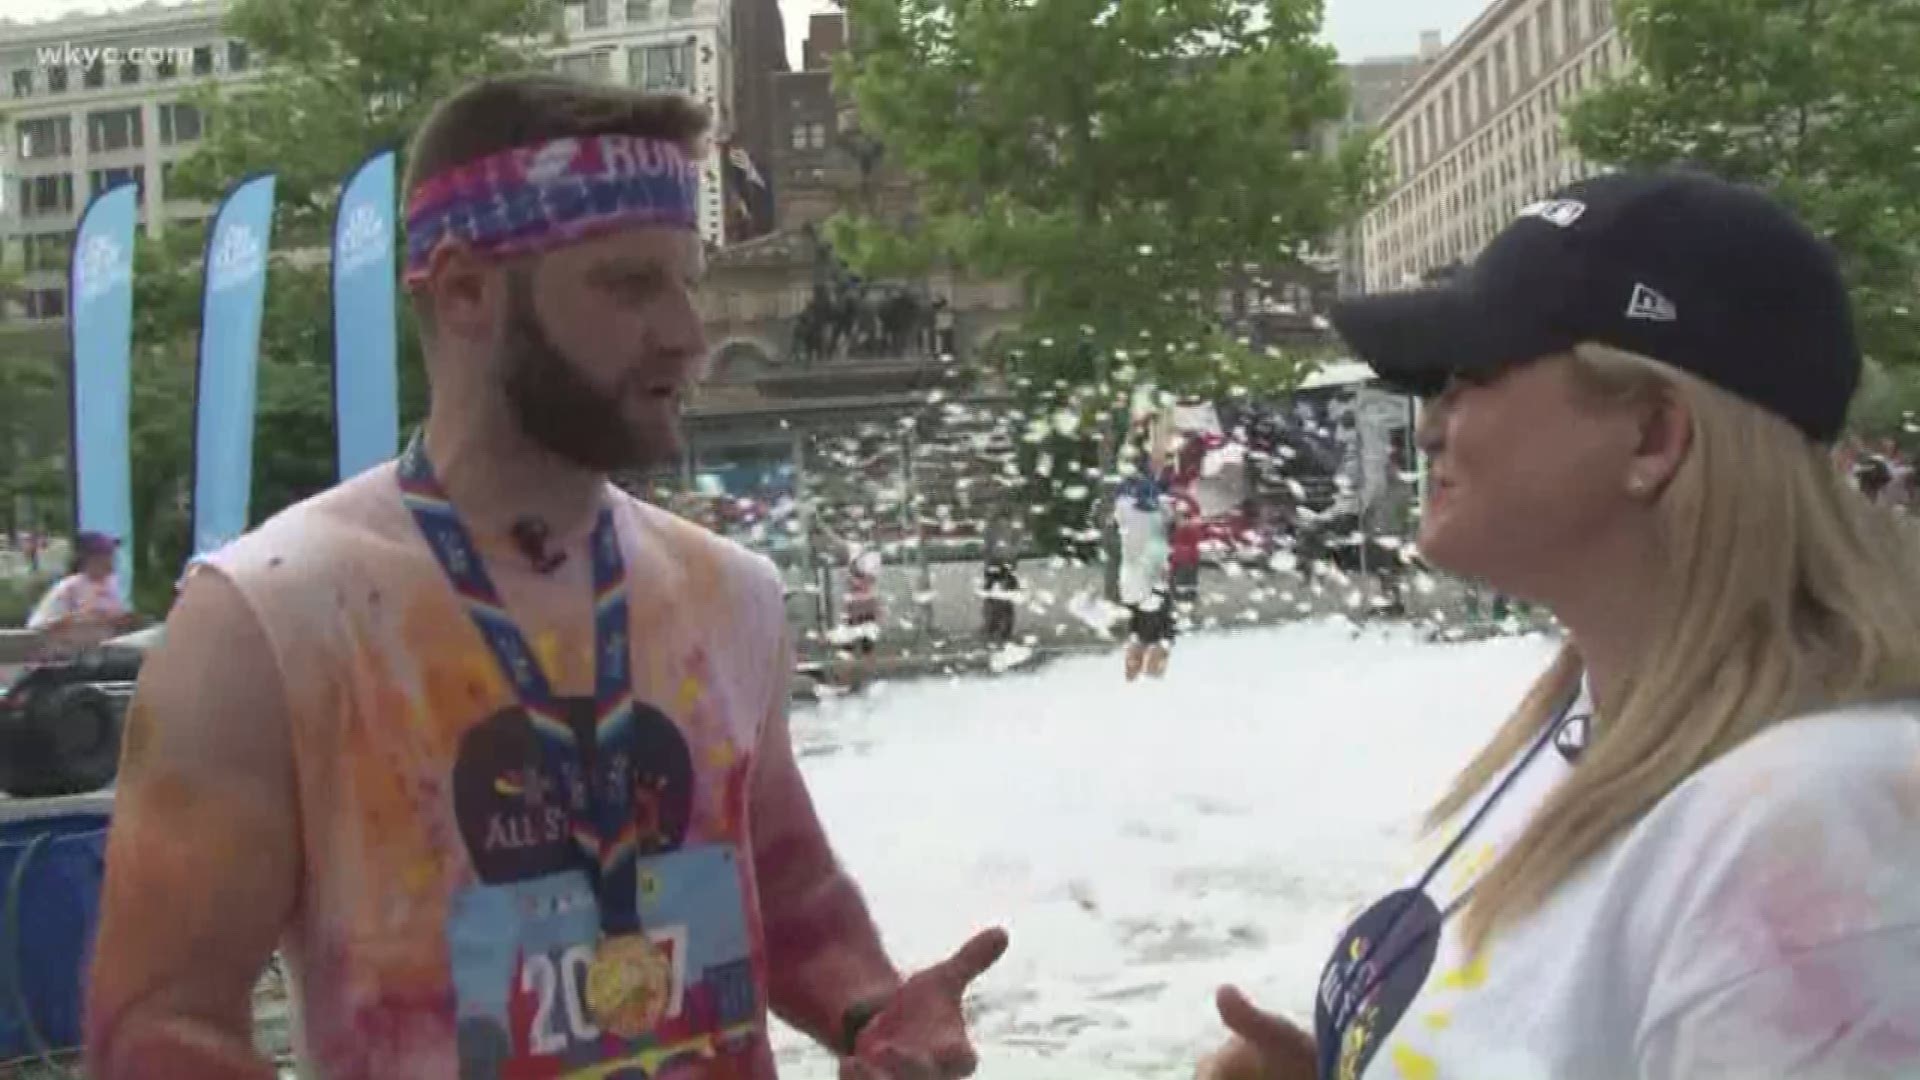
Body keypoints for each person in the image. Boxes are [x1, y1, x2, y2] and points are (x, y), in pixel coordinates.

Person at [85, 74, 1006, 1080]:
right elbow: (156, 1032)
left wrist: (874, 1014)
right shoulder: (267, 619)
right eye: (629, 285)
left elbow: (787, 889)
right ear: (468, 290)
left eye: (686, 281)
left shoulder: (729, 594)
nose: (689, 334)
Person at [1196, 172, 1920, 1079]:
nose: (1429, 431)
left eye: (1468, 378)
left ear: (1653, 437)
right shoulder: (1592, 721)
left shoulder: (1819, 828)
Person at [26, 530, 140, 646]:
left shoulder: (112, 584)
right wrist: (78, 618)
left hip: (106, 651)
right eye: (104, 555)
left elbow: (116, 619)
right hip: (69, 654)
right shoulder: (70, 586)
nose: (111, 559)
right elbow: (38, 627)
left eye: (110, 554)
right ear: (88, 559)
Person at [1114, 466, 1174, 681]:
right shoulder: (1159, 514)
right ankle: (1152, 673)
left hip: (1133, 576)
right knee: (1161, 632)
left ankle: (1133, 675)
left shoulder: (1125, 510)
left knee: (1138, 631)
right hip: (1151, 578)